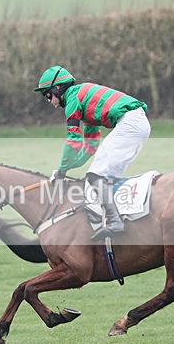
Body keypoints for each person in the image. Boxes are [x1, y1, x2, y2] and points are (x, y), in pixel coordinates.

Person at [34, 66, 151, 241]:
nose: (49, 101)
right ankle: (120, 219)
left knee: (96, 175)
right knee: (107, 178)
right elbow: (90, 146)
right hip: (138, 123)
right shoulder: (83, 101)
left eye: (48, 95)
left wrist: (62, 170)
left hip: (129, 124)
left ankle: (115, 222)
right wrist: (67, 169)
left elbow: (73, 141)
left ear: (58, 88)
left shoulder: (73, 98)